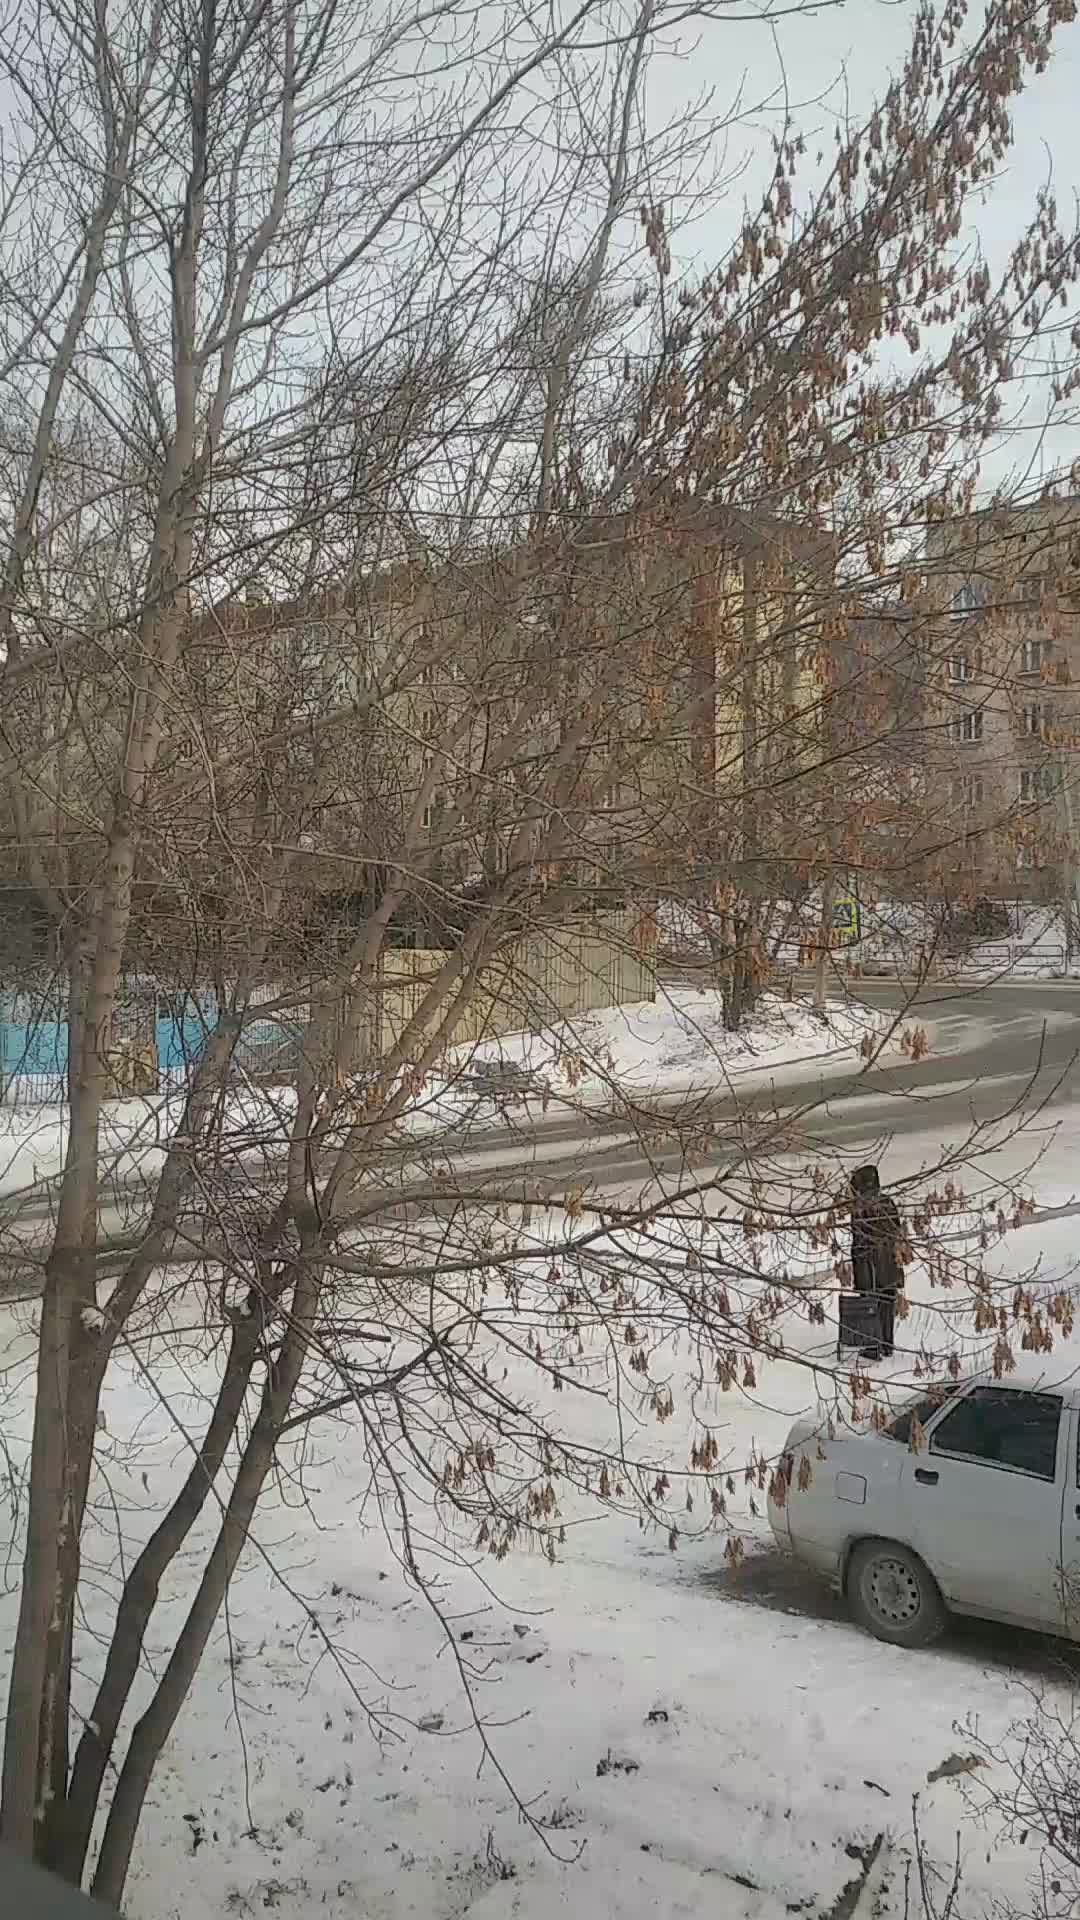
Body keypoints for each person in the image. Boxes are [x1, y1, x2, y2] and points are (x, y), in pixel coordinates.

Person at [850, 1163, 902, 1360]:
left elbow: (860, 1238)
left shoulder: (861, 1207)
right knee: (886, 1303)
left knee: (870, 1302)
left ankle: (873, 1346)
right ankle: (886, 1345)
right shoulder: (888, 1202)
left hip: (870, 1264)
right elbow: (897, 1230)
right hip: (889, 1263)